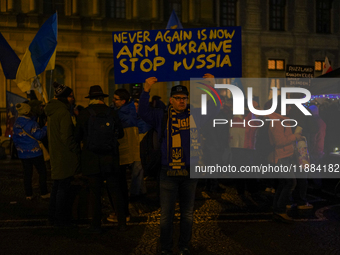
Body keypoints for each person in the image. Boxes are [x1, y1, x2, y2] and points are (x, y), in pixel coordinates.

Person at [139, 75, 216, 255]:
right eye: (178, 98)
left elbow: (214, 108)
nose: (182, 101)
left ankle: (184, 246)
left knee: (187, 214)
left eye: (184, 98)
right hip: (168, 172)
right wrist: (146, 90)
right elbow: (143, 112)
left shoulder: (195, 114)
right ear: (171, 100)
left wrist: (212, 86)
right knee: (166, 215)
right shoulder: (162, 116)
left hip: (190, 171)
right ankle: (166, 248)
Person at [75, 85, 126, 233]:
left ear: (90, 98)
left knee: (95, 193)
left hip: (91, 159)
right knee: (115, 191)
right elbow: (121, 134)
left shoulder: (84, 114)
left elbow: (77, 137)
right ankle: (122, 223)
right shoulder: (112, 112)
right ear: (102, 98)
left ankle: (96, 224)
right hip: (110, 158)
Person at [44, 82, 80, 227]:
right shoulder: (63, 112)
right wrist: (77, 148)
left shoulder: (53, 111)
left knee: (57, 187)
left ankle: (52, 216)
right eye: (71, 96)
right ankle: (60, 218)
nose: (73, 99)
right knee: (63, 189)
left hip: (56, 153)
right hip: (64, 156)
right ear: (64, 97)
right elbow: (67, 137)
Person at [107, 88, 140, 222]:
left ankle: (121, 214)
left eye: (115, 99)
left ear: (123, 101)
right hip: (127, 153)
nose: (113, 101)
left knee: (119, 185)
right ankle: (123, 212)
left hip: (122, 153)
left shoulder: (121, 114)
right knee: (122, 184)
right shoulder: (128, 109)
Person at [267, 96, 302, 223]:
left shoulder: (282, 119)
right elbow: (279, 141)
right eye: (288, 105)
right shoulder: (276, 121)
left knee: (284, 183)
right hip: (280, 156)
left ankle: (277, 209)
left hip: (284, 155)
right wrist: (295, 136)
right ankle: (280, 210)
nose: (290, 108)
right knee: (290, 182)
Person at [12, 102, 50, 200]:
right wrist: (45, 127)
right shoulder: (32, 124)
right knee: (42, 172)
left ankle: (28, 194)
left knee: (27, 174)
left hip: (23, 153)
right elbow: (39, 135)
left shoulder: (16, 123)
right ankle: (44, 192)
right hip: (35, 152)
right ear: (28, 111)